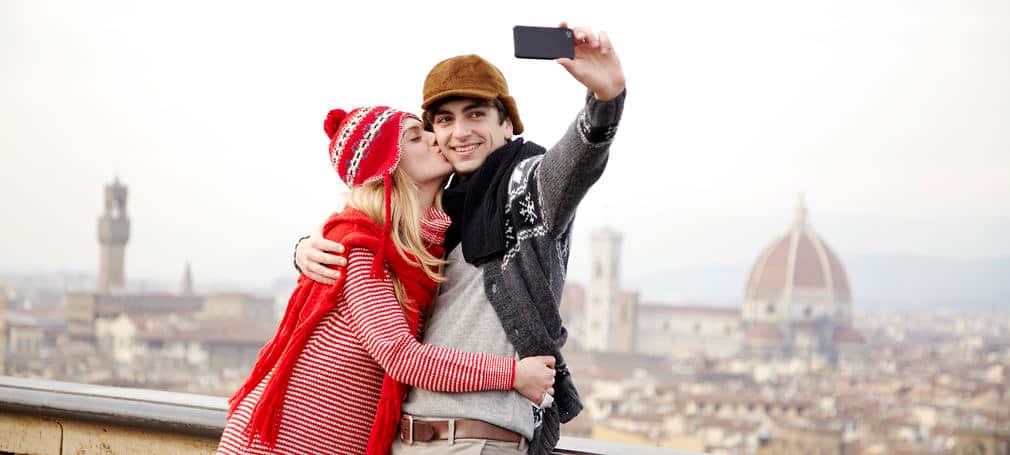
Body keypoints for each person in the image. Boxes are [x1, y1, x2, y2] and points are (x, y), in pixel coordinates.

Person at [297, 23, 626, 455]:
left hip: (479, 441)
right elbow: (365, 240)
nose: (460, 132)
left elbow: (576, 162)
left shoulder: (526, 190)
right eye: (445, 120)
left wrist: (606, 100)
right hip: (405, 440)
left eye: (476, 114)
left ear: (507, 124)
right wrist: (306, 247)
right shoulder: (429, 222)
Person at [218, 106, 557, 455]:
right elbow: (401, 356)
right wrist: (513, 375)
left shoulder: (413, 249)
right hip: (280, 443)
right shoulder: (361, 248)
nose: (435, 137)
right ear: (387, 168)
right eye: (415, 136)